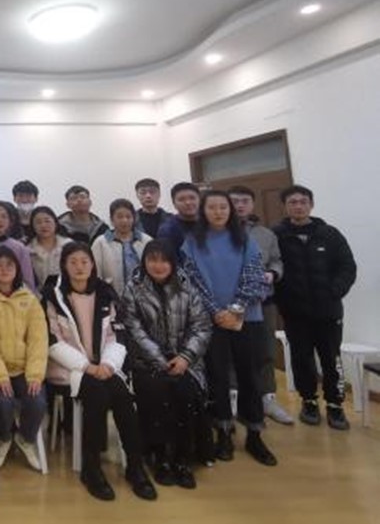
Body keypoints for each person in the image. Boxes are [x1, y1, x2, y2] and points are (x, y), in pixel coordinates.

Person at [45, 242, 156, 502]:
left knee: (123, 396)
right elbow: (53, 341)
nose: (79, 267)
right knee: (96, 395)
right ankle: (91, 468)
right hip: (69, 368)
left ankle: (135, 466)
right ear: (64, 266)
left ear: (93, 264)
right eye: (73, 262)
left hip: (105, 365)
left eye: (84, 261)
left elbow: (116, 336)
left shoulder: (105, 293)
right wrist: (87, 367)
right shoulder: (53, 296)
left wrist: (108, 364)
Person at [181, 190, 277, 466]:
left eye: (223, 207)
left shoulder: (245, 238)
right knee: (217, 376)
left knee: (250, 376)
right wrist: (216, 312)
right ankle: (223, 430)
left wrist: (235, 309)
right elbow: (192, 280)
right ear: (203, 211)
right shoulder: (192, 242)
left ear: (230, 211)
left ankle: (255, 434)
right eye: (212, 207)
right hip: (211, 320)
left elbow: (254, 276)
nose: (218, 212)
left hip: (247, 318)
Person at [121, 240, 212, 490]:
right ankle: (160, 457)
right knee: (156, 393)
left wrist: (185, 358)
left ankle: (183, 459)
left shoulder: (187, 286)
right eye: (153, 259)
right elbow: (133, 330)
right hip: (147, 363)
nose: (158, 265)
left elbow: (202, 327)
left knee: (186, 393)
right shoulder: (133, 288)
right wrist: (161, 361)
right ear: (144, 262)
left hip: (186, 362)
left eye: (164, 260)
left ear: (172, 262)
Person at [272, 185, 357, 430]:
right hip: (295, 313)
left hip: (328, 312)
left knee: (332, 359)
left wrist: (334, 291)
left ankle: (335, 405)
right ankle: (308, 401)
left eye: (303, 202)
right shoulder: (276, 235)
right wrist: (282, 298)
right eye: (293, 202)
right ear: (285, 206)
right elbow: (270, 265)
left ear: (311, 205)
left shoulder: (329, 234)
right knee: (301, 359)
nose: (298, 206)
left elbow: (347, 267)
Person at [0, 245, 48, 474]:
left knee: (37, 402)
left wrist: (34, 375)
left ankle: (25, 438)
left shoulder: (30, 299)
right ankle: (5, 437)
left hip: (25, 369)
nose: (4, 270)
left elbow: (38, 340)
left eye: (9, 265)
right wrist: (0, 375)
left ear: (17, 268)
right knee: (3, 402)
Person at [227, 185, 292, 425]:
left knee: (265, 350)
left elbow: (276, 260)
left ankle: (268, 398)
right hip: (231, 303)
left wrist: (273, 273)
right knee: (231, 351)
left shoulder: (266, 234)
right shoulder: (218, 232)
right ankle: (233, 397)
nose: (239, 205)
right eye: (235, 201)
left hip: (263, 302)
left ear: (252, 204)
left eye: (244, 201)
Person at [91, 198, 151, 295]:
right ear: (111, 219)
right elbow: (95, 274)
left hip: (144, 297)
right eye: (119, 217)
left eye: (128, 216)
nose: (124, 220)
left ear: (134, 218)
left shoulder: (146, 241)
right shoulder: (100, 243)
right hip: (111, 296)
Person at [28, 206, 72, 293]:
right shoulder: (28, 250)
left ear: (55, 222)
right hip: (37, 296)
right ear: (32, 226)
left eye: (47, 221)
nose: (43, 225)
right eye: (38, 222)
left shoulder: (69, 245)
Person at [157, 182, 201, 250]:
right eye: (181, 199)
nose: (188, 202)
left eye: (192, 198)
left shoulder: (210, 223)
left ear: (200, 200)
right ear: (174, 204)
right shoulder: (167, 230)